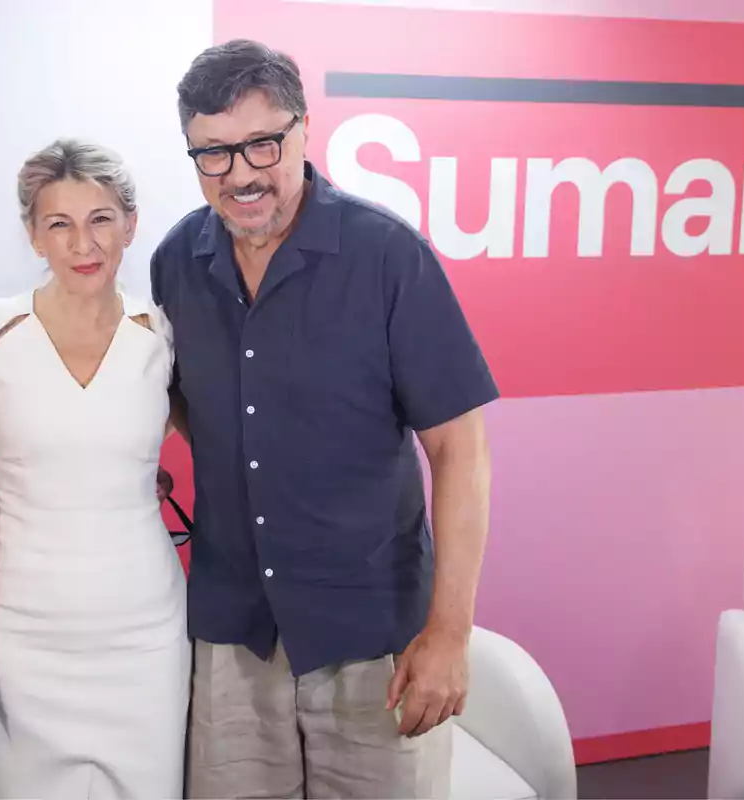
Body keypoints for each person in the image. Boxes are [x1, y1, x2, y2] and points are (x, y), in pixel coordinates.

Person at [151, 39, 499, 798]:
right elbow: (187, 403)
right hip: (234, 628)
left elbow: (459, 447)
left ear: (305, 130)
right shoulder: (176, 260)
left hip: (375, 637)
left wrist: (449, 634)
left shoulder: (388, 257)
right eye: (213, 153)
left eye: (262, 143)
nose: (241, 173)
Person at [0, 139, 190, 798]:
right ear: (34, 235)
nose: (81, 243)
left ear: (130, 224)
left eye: (100, 219)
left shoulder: (165, 332)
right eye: (58, 223)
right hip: (21, 633)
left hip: (144, 634)